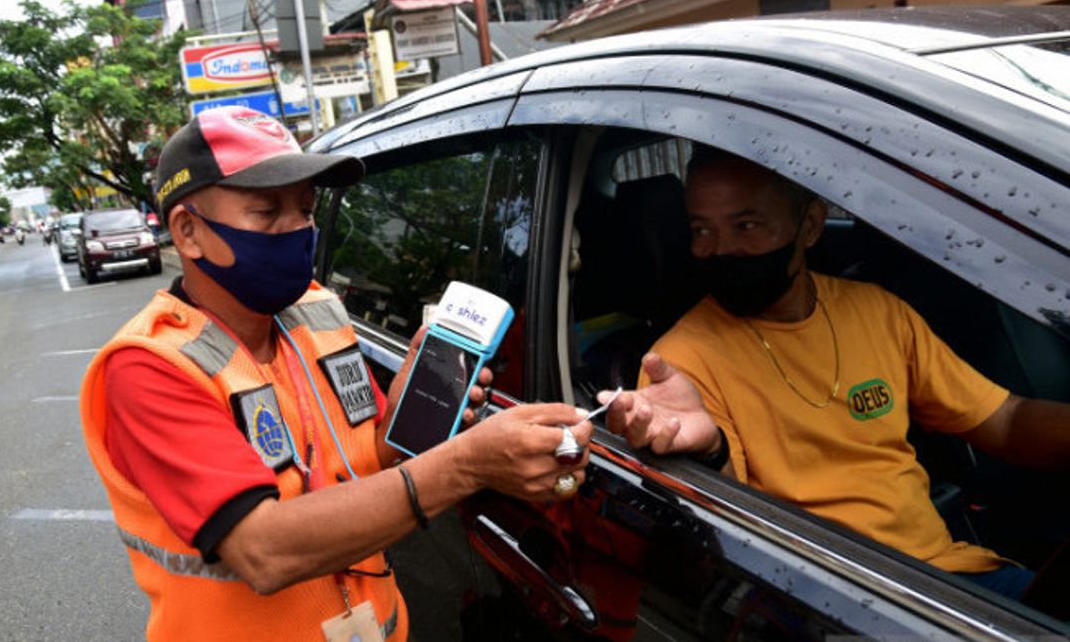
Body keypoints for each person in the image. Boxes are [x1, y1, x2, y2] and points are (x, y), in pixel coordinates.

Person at [79, 106, 592, 641]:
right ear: (187, 231)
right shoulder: (149, 367)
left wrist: (409, 407)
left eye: (306, 208)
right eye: (267, 211)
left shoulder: (317, 311)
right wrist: (466, 465)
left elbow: (364, 456)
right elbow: (264, 549)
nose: (297, 229)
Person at [602, 147, 1069, 600]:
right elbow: (723, 540)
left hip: (952, 580)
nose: (719, 249)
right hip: (831, 603)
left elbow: (1005, 421)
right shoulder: (677, 367)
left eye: (745, 225)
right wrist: (711, 451)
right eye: (701, 230)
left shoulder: (876, 311)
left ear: (809, 226)